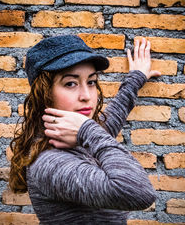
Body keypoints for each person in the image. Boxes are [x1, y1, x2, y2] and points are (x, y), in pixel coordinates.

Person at [9, 35, 160, 224]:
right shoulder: (50, 162)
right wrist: (87, 130)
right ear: (44, 93)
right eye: (70, 83)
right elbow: (139, 193)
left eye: (91, 81)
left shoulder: (71, 136)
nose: (87, 96)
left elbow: (114, 116)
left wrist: (137, 76)